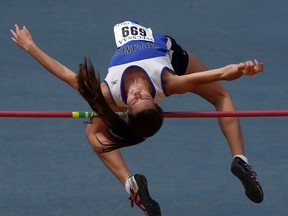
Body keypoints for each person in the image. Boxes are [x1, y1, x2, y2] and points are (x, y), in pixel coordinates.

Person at [11, 20, 264, 216]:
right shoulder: (168, 82)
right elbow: (219, 74)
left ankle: (131, 185)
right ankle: (240, 159)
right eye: (143, 96)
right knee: (221, 95)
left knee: (92, 132)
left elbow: (68, 76)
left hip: (156, 65)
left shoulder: (110, 93)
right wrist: (242, 69)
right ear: (154, 100)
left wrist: (30, 47)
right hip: (172, 56)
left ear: (127, 109)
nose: (137, 93)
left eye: (135, 100)